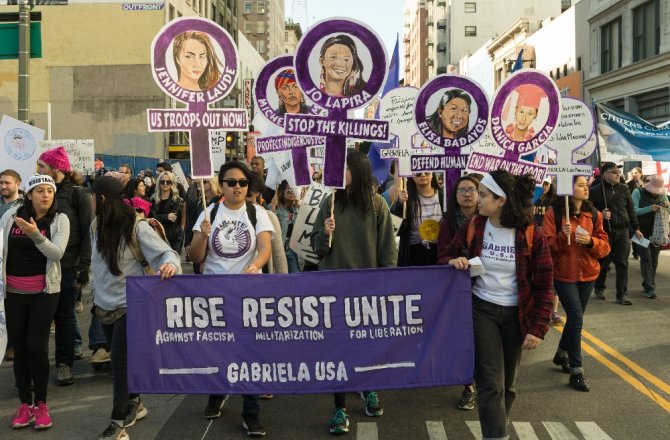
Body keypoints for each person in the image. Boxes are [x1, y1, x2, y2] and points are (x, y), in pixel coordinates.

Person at [439, 170, 553, 440]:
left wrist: (538, 328)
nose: (477, 199)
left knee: (508, 385)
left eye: (483, 195)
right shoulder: (474, 226)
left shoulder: (531, 234)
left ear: (501, 200)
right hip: (481, 310)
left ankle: (498, 421)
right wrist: (452, 261)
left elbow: (545, 283)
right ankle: (496, 434)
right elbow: (446, 253)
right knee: (490, 384)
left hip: (517, 315)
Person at [311, 149, 397, 435]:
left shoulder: (377, 205)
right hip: (332, 290)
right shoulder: (330, 202)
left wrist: (385, 290)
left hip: (367, 292)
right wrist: (324, 232)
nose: (337, 173)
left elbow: (387, 252)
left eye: (342, 167)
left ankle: (368, 388)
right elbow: (317, 248)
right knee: (337, 350)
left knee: (365, 346)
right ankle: (339, 408)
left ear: (357, 170)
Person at [89, 176, 180, 440]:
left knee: (119, 364)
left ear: (102, 199)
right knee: (124, 365)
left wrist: (170, 265)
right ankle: (135, 403)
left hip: (131, 305)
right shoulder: (96, 224)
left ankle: (117, 425)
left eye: (92, 196)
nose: (90, 200)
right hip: (103, 305)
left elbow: (167, 253)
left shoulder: (136, 226)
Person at [189, 161, 274, 438]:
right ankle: (217, 393)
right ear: (221, 186)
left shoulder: (256, 212)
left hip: (248, 295)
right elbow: (194, 256)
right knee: (218, 349)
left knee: (249, 352)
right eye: (231, 182)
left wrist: (256, 265)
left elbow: (265, 248)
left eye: (243, 182)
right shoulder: (209, 211)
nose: (238, 187)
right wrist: (202, 236)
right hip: (215, 294)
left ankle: (251, 412)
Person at [1, 174, 69, 430]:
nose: (46, 196)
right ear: (29, 194)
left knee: (36, 348)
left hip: (45, 293)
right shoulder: (12, 216)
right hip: (13, 294)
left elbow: (57, 253)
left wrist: (35, 235)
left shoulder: (60, 219)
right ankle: (24, 404)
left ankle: (41, 403)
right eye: (40, 191)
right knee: (19, 349)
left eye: (49, 191)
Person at [542, 176, 610, 392]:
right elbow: (547, 245)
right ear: (568, 189)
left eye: (585, 184)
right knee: (577, 317)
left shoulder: (595, 214)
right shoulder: (555, 213)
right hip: (564, 273)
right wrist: (563, 237)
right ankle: (576, 369)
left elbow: (605, 247)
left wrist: (590, 241)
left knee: (574, 318)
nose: (586, 188)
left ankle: (561, 352)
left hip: (589, 274)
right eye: (580, 185)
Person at [37, 146, 93, 386]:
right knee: (39, 316)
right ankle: (35, 364)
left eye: (42, 166)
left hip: (67, 264)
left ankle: (64, 364)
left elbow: (88, 230)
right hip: (40, 263)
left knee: (65, 315)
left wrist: (84, 265)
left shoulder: (78, 194)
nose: (38, 170)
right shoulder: (39, 191)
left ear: (55, 168)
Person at [436, 174, 479, 411]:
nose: (466, 194)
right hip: (460, 287)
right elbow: (442, 256)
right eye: (461, 190)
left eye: (472, 189)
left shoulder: (492, 219)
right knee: (466, 337)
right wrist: (453, 260)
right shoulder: (448, 222)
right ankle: (468, 386)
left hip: (489, 287)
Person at [589, 162, 643, 305]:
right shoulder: (595, 190)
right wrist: (600, 214)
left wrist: (636, 228)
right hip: (605, 232)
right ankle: (599, 287)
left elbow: (631, 210)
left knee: (622, 263)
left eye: (619, 172)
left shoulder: (624, 189)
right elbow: (588, 211)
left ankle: (622, 294)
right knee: (604, 262)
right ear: (605, 174)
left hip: (623, 231)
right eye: (614, 172)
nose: (618, 174)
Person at [631, 175, 670, 299]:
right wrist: (649, 208)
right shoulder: (637, 192)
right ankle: (650, 288)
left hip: (656, 232)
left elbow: (667, 210)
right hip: (639, 231)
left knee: (654, 260)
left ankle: (647, 283)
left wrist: (667, 205)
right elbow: (633, 211)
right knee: (646, 258)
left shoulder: (662, 195)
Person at [392, 172, 443, 266]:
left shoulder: (444, 198)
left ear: (432, 174)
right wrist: (399, 204)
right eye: (418, 173)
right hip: (413, 255)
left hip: (440, 254)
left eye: (427, 172)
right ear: (412, 176)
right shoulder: (405, 199)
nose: (423, 175)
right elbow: (394, 229)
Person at [248, 171, 288, 276]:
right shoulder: (222, 213)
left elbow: (278, 255)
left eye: (250, 188)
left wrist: (283, 285)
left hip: (262, 280)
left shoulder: (268, 216)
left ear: (257, 192)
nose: (245, 190)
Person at [184, 177, 221, 274]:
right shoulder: (199, 202)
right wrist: (188, 242)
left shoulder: (220, 203)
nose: (200, 183)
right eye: (199, 181)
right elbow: (191, 222)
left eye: (204, 181)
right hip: (198, 239)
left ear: (212, 184)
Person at [151, 171, 185, 255]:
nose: (165, 184)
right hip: (156, 236)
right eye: (162, 181)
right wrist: (166, 216)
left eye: (168, 182)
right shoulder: (153, 199)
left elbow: (172, 219)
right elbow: (152, 218)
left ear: (172, 184)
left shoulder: (176, 200)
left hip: (173, 236)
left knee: (172, 262)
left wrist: (159, 217)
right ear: (159, 183)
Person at [273, 180, 301, 273]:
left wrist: (301, 207)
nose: (292, 193)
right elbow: (270, 225)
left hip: (292, 247)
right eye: (289, 190)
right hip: (279, 247)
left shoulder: (297, 208)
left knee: (295, 274)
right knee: (280, 275)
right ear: (281, 191)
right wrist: (273, 207)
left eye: (294, 190)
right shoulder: (275, 207)